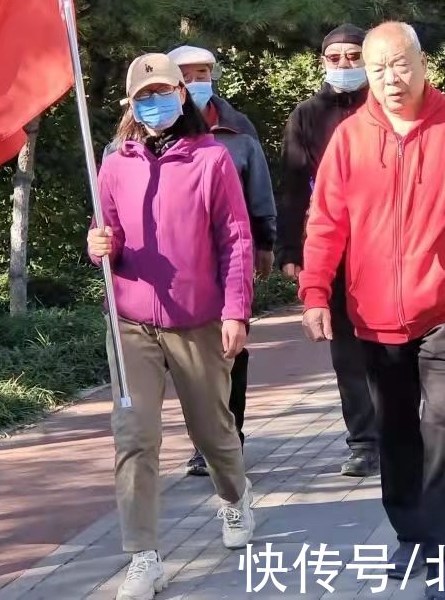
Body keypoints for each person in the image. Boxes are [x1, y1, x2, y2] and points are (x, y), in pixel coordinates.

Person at [299, 22, 445, 599]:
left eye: (400, 65)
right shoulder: (350, 138)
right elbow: (326, 223)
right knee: (397, 428)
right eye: (378, 70)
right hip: (373, 313)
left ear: (423, 63)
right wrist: (314, 293)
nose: (390, 79)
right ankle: (411, 531)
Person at [88, 53, 256, 600]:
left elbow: (235, 239)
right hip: (132, 320)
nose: (153, 102)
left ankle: (234, 497)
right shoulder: (115, 163)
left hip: (197, 320)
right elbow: (105, 233)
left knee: (212, 430)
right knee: (134, 437)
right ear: (131, 106)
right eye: (143, 95)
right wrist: (98, 246)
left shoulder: (211, 160)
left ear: (181, 96)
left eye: (162, 91)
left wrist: (235, 311)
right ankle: (144, 556)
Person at [168, 44, 276, 477]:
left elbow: (259, 190)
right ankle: (205, 441)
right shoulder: (149, 132)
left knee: (229, 351)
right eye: (188, 75)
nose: (197, 83)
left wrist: (267, 243)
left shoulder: (236, 128)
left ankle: (228, 435)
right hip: (176, 269)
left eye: (204, 74)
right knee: (190, 360)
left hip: (230, 259)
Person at [276, 24, 379, 478]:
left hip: (385, 245)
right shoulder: (305, 116)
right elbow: (294, 185)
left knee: (393, 344)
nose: (344, 65)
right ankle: (363, 439)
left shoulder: (386, 109)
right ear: (322, 63)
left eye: (353, 56)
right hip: (332, 245)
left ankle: (400, 428)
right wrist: (289, 248)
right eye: (335, 58)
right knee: (346, 350)